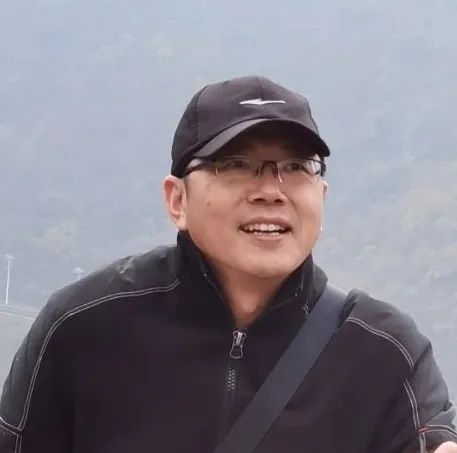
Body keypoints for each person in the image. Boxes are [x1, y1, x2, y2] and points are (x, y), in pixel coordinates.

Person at [0, 76, 456, 453]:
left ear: (322, 195)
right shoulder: (85, 328)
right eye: (236, 164)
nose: (271, 191)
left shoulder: (383, 352)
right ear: (177, 200)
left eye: (297, 167)